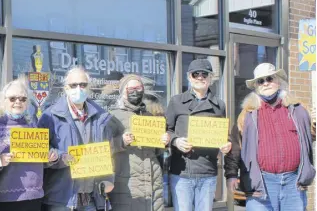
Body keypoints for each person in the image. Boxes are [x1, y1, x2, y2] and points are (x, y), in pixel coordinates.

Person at [224, 63, 316, 210]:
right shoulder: (247, 115)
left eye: (269, 78)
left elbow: (309, 137)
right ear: (256, 86)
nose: (266, 83)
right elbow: (235, 147)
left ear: (278, 80)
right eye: (261, 81)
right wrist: (231, 174)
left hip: (293, 183)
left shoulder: (298, 110)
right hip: (260, 184)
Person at [38, 66, 122, 211]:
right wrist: (59, 156)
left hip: (91, 196)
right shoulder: (50, 116)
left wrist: (108, 179)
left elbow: (107, 152)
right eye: (73, 85)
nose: (79, 88)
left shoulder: (101, 116)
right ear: (65, 88)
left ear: (89, 88)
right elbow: (39, 150)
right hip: (62, 198)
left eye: (83, 85)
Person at [0, 77, 59, 211]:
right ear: (3, 101)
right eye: (12, 98)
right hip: (2, 199)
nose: (18, 102)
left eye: (22, 99)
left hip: (32, 197)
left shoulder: (34, 127)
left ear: (27, 103)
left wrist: (50, 158)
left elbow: (42, 158)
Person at [164, 59, 232, 211]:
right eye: (196, 74)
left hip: (207, 171)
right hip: (181, 172)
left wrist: (226, 144)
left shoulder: (219, 105)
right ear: (189, 77)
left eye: (204, 74)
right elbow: (166, 131)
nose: (200, 77)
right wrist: (175, 141)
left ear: (210, 78)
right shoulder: (176, 102)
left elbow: (223, 134)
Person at [109, 74, 165, 211]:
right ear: (123, 92)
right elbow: (103, 148)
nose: (136, 91)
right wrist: (121, 142)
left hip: (153, 181)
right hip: (128, 184)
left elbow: (157, 152)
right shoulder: (113, 116)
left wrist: (163, 142)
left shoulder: (150, 117)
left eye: (139, 88)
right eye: (131, 88)